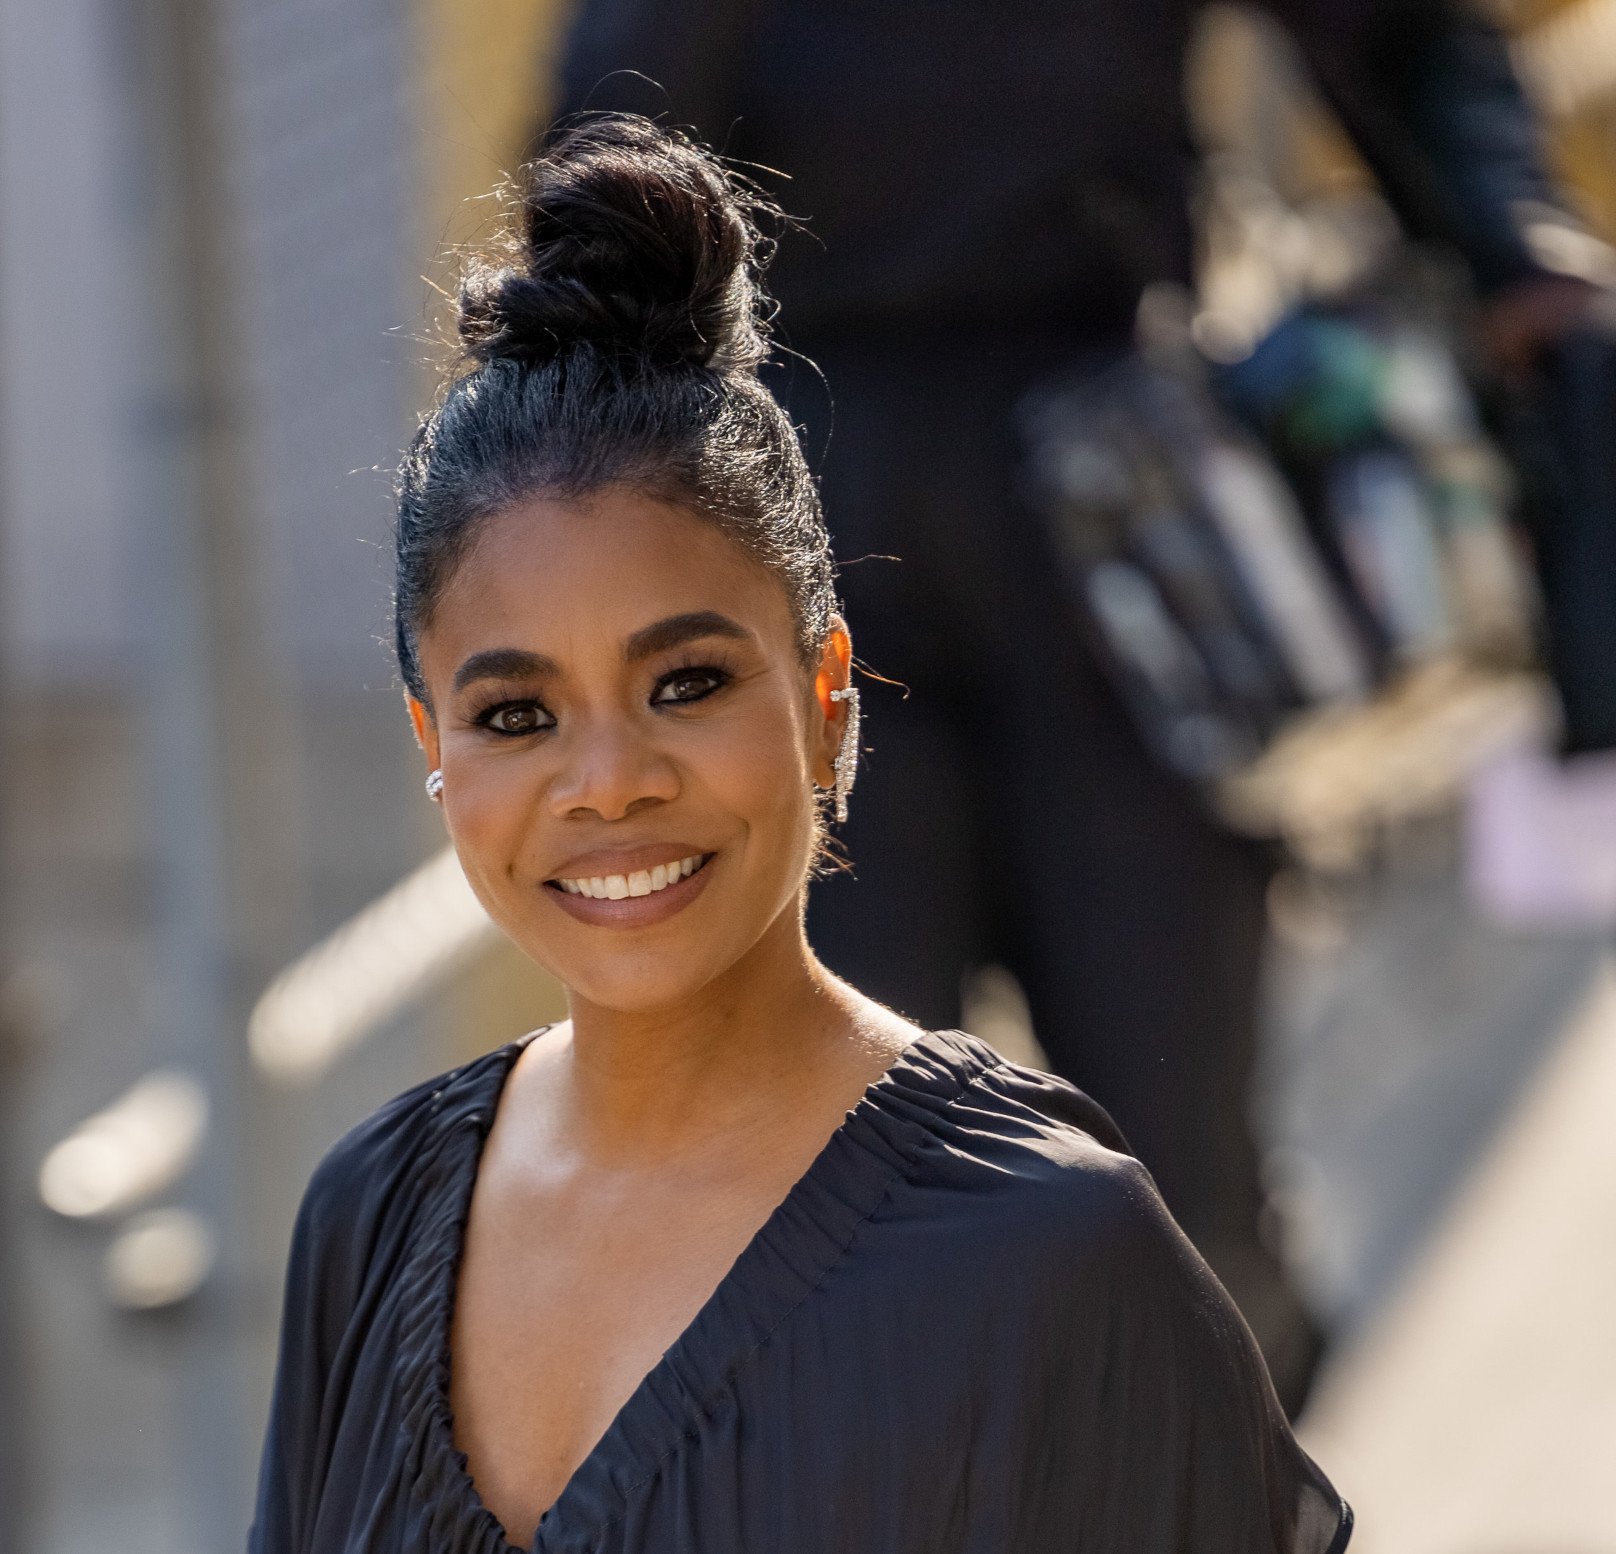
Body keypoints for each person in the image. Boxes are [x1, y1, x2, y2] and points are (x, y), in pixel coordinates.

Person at [248, 119, 1349, 1554]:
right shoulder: (371, 1222)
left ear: (829, 703)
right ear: (433, 755)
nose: (610, 780)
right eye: (518, 714)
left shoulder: (1053, 1263)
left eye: (686, 682)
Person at [555, 0, 1599, 1408]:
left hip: (1119, 488)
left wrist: (1512, 245)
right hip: (790, 493)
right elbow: (593, 163)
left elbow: (1405, 36)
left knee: (1180, 1178)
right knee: (822, 1185)